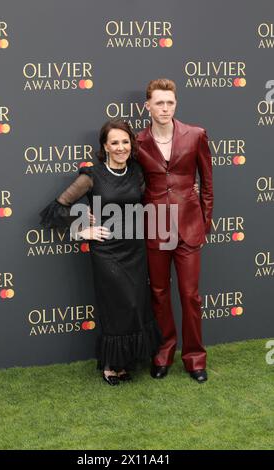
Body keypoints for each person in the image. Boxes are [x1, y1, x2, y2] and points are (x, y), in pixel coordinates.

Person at [39, 120, 162, 386]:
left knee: (134, 304)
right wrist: (83, 229)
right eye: (114, 142)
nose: (121, 147)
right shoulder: (91, 175)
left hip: (135, 249)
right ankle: (110, 365)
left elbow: (150, 199)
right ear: (104, 146)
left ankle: (125, 362)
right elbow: (56, 208)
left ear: (132, 144)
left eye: (125, 142)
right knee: (115, 307)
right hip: (107, 252)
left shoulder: (137, 172)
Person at [136, 78, 213, 383]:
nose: (165, 108)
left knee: (190, 295)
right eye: (159, 103)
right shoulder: (138, 142)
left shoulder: (195, 135)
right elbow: (127, 179)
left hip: (189, 226)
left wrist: (204, 222)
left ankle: (195, 358)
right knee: (158, 293)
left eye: (170, 102)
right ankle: (164, 352)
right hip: (155, 225)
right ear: (148, 106)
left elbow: (207, 183)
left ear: (175, 104)